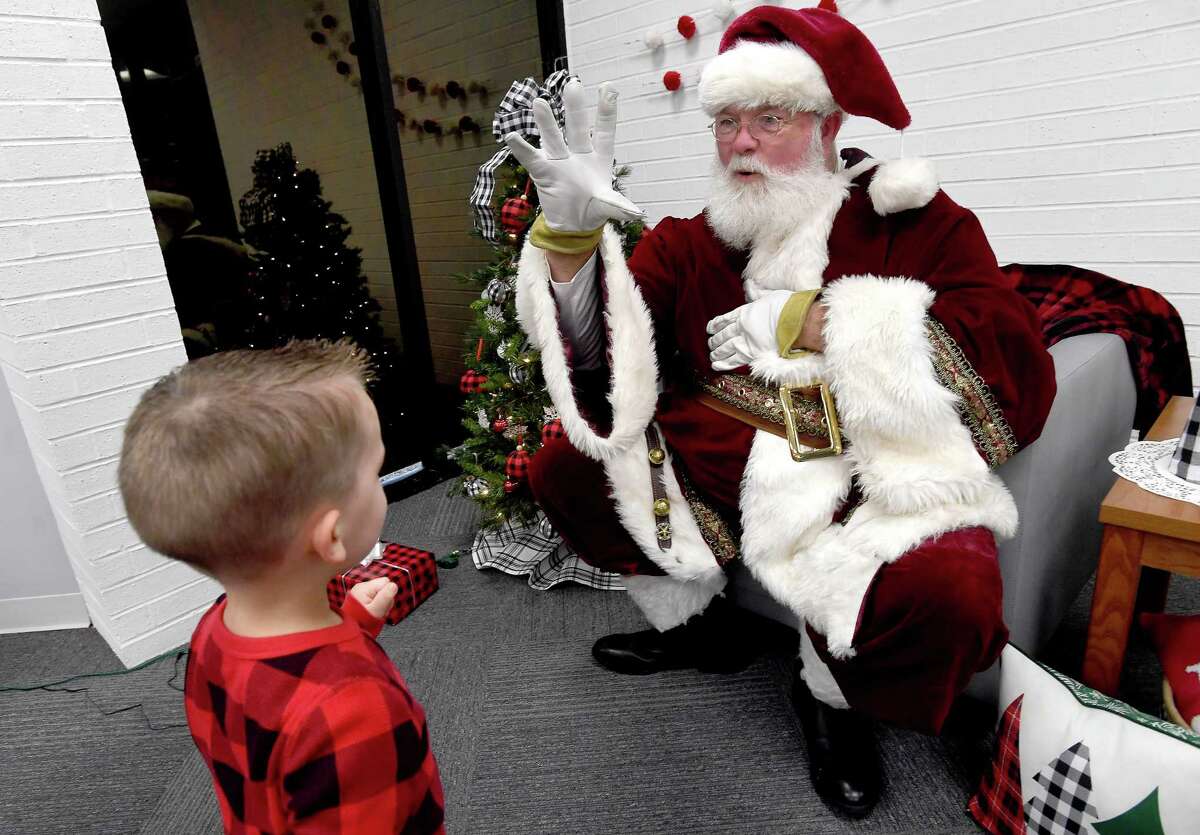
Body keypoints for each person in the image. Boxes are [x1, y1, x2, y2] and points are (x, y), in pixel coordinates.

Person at [504, 3, 1055, 819]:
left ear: (829, 125)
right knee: (564, 465)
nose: (741, 142)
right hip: (716, 451)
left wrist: (815, 320)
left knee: (955, 593)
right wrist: (570, 251)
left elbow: (1009, 357)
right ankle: (701, 624)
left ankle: (831, 695)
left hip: (863, 471)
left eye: (771, 118)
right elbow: (608, 358)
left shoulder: (917, 220)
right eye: (726, 121)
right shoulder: (696, 242)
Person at [118, 340, 445, 834]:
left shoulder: (214, 628)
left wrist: (354, 625)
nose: (379, 481)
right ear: (332, 536)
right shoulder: (356, 712)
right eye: (374, 471)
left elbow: (278, 702)